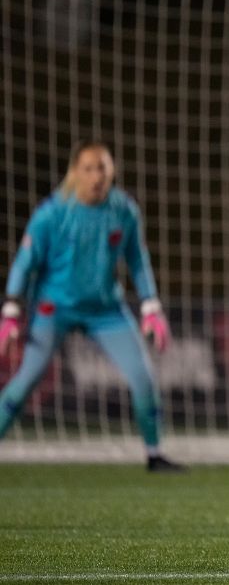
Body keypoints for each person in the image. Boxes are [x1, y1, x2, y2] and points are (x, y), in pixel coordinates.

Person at [0, 141, 183, 472]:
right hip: (53, 309)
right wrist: (11, 311)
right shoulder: (52, 213)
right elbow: (24, 264)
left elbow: (138, 261)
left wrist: (151, 307)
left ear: (112, 171)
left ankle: (155, 455)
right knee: (25, 381)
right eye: (88, 168)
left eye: (103, 167)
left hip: (105, 310)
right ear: (74, 172)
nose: (97, 176)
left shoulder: (124, 211)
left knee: (143, 377)